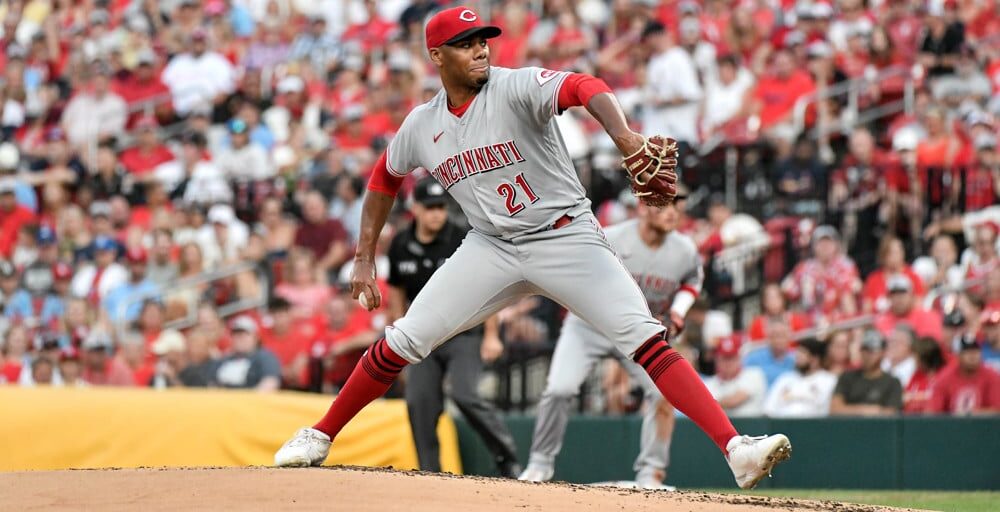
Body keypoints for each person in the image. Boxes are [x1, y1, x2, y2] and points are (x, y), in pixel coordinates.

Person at [274, 7, 791, 491]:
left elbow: (584, 85)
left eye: (483, 41)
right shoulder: (422, 125)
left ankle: (735, 448)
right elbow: (384, 175)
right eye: (465, 44)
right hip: (491, 246)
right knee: (406, 337)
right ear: (436, 56)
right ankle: (320, 433)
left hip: (565, 235)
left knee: (645, 338)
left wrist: (624, 136)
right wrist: (364, 255)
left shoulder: (515, 86)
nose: (480, 50)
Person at [519, 195, 702, 489]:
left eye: (677, 206)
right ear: (643, 207)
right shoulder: (612, 237)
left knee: (663, 392)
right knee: (559, 389)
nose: (672, 212)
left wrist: (678, 313)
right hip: (589, 325)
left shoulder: (684, 249)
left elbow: (692, 282)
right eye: (664, 205)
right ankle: (539, 463)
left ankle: (651, 474)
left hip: (638, 332)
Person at [387, 178, 519, 478]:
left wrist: (491, 336)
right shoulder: (400, 244)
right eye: (430, 208)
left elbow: (487, 288)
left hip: (464, 331)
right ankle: (429, 472)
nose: (437, 214)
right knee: (420, 402)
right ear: (416, 209)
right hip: (425, 337)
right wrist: (399, 333)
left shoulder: (462, 237)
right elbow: (396, 294)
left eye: (441, 208)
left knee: (465, 394)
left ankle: (506, 456)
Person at [830, 331, 903, 416]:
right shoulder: (847, 377)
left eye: (872, 351)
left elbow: (891, 412)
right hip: (849, 427)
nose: (867, 355)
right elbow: (835, 409)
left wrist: (849, 409)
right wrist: (868, 410)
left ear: (883, 352)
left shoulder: (892, 382)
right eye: (864, 350)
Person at [927, 333, 1000, 415]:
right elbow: (933, 412)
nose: (973, 356)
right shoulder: (945, 378)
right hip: (952, 426)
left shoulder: (992, 376)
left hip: (985, 427)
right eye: (967, 352)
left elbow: (997, 411)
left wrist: (970, 414)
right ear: (958, 355)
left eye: (975, 351)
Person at [763, 338, 837, 418]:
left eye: (802, 354)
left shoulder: (829, 380)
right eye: (797, 353)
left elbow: (828, 411)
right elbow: (769, 409)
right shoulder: (785, 378)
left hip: (813, 426)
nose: (797, 357)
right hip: (782, 426)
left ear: (815, 359)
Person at [704, 335, 768, 418]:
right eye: (725, 358)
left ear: (739, 358)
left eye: (732, 358)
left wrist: (710, 404)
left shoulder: (753, 374)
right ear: (717, 359)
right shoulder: (708, 384)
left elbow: (734, 400)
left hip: (753, 428)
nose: (728, 363)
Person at [214, 316, 281, 391]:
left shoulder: (265, 357)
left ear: (255, 337)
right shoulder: (224, 359)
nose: (240, 338)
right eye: (236, 334)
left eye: (245, 334)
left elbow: (270, 383)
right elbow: (211, 385)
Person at [743, 320, 795, 387]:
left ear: (789, 337)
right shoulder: (753, 359)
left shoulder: (796, 358)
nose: (778, 340)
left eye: (782, 335)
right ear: (767, 337)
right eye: (774, 335)